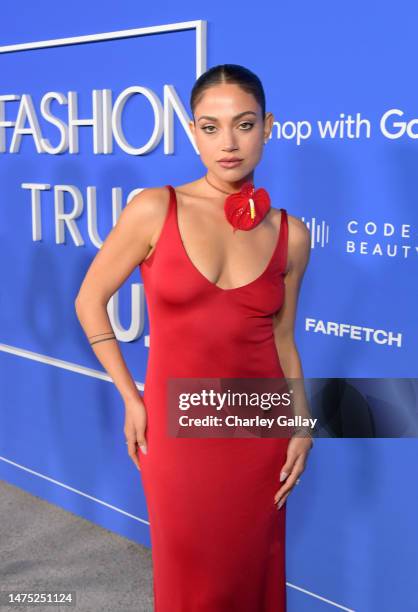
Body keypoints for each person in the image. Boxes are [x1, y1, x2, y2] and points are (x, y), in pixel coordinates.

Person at [75, 63, 313, 612]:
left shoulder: (291, 234)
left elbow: (283, 337)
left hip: (260, 429)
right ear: (191, 132)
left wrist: (301, 426)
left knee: (253, 572)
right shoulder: (155, 208)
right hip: (177, 432)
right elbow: (89, 301)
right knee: (192, 583)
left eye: (244, 124)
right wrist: (130, 397)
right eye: (210, 127)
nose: (228, 143)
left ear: (268, 127)